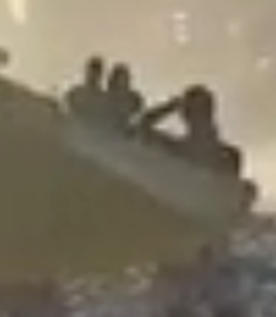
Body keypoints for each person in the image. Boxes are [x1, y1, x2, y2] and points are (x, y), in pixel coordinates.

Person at [139, 85, 258, 214]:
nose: (195, 117)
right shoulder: (178, 150)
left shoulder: (229, 156)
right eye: (192, 112)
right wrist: (170, 106)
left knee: (248, 188)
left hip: (204, 216)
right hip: (195, 214)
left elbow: (143, 125)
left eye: (196, 112)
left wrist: (171, 107)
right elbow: (142, 127)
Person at [63, 56, 108, 124]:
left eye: (97, 72)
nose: (94, 75)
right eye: (92, 71)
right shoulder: (75, 93)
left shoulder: (104, 98)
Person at [104, 63, 146, 133]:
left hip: (130, 133)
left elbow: (139, 117)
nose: (122, 83)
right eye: (120, 80)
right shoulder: (106, 98)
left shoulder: (134, 98)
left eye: (125, 79)